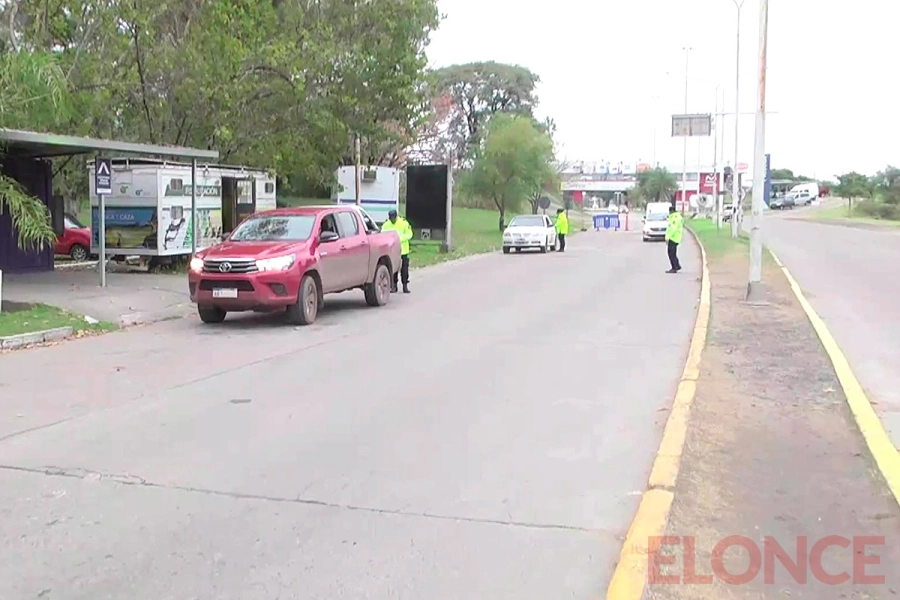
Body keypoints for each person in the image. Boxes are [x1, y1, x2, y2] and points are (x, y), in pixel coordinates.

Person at [381, 209, 413, 293]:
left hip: (403, 250)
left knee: (404, 269)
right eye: (391, 218)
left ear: (396, 216)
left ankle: (405, 286)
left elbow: (409, 234)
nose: (392, 220)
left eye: (394, 218)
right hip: (392, 251)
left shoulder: (403, 223)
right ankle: (394, 286)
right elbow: (382, 234)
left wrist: (399, 239)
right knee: (393, 269)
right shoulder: (386, 224)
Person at [665, 205, 684, 273]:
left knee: (671, 253)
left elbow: (673, 228)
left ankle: (674, 267)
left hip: (673, 238)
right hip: (676, 237)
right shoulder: (677, 217)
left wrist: (667, 237)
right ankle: (677, 265)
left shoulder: (674, 218)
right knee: (672, 253)